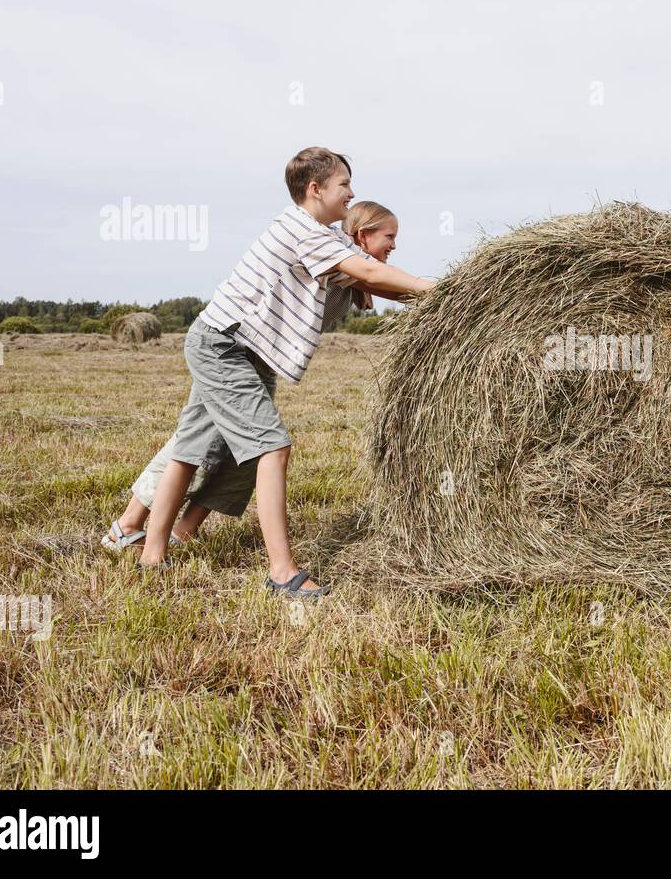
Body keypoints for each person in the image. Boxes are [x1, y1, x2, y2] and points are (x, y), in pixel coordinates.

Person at [101, 148, 431, 598]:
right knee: (271, 448)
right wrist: (444, 289)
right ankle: (281, 572)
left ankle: (153, 551)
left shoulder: (327, 240)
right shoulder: (304, 229)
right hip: (226, 344)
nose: (351, 195)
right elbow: (367, 269)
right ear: (316, 190)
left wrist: (445, 304)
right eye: (344, 186)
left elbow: (372, 278)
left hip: (246, 350)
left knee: (194, 448)